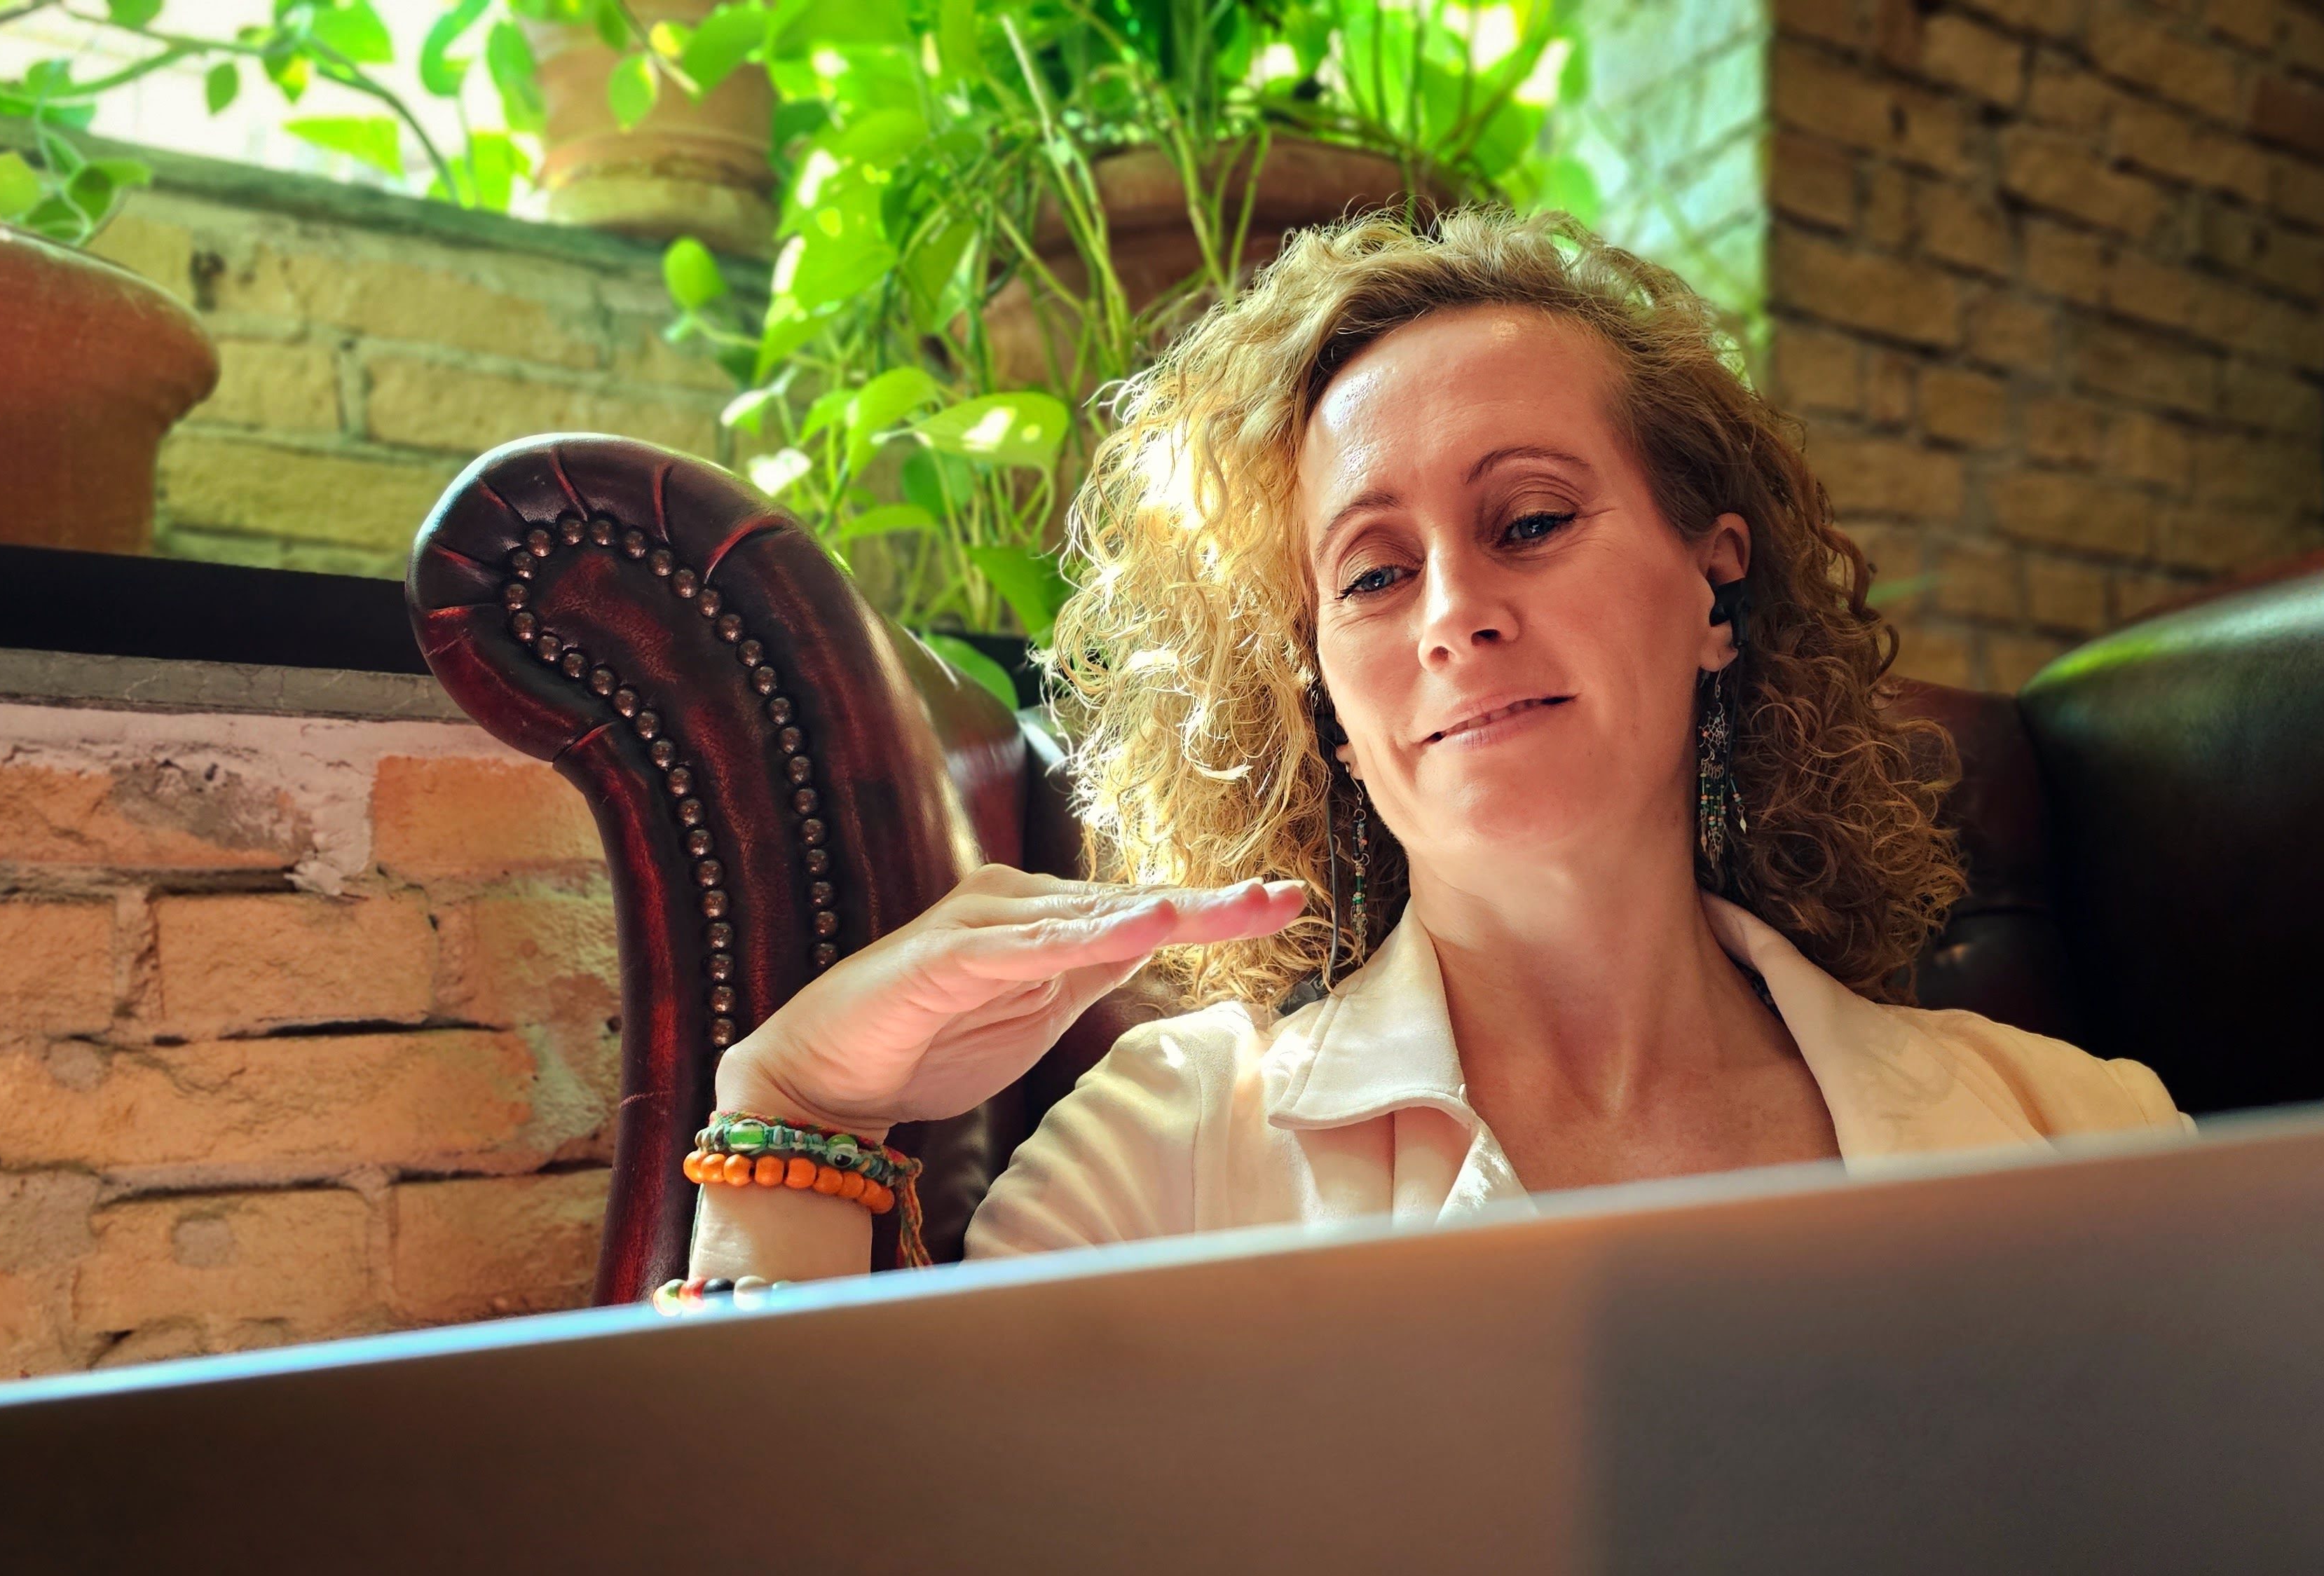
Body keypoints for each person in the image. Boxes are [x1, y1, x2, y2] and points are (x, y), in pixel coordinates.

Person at [687, 210, 2187, 1287]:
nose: (1455, 614)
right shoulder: (1173, 1140)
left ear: (1713, 589)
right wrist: (797, 1111)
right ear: (1327, 707)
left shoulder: (2081, 1128)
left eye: (1529, 521)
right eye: (1374, 574)